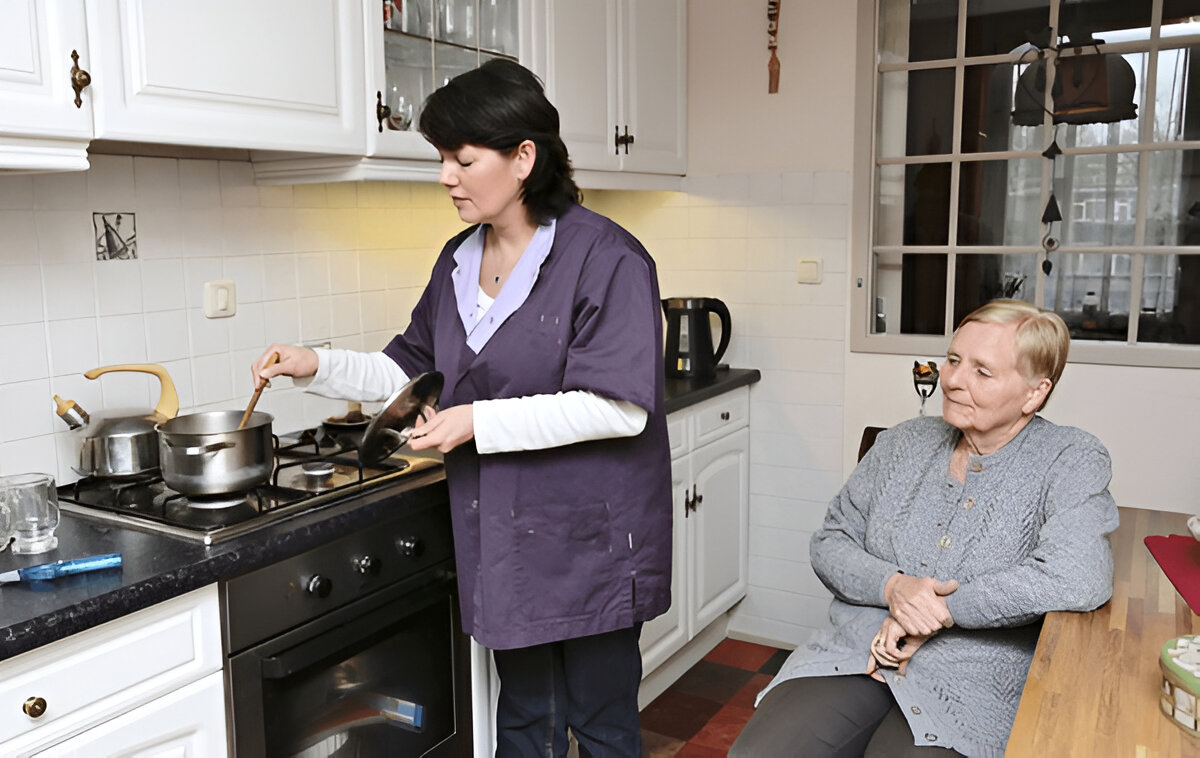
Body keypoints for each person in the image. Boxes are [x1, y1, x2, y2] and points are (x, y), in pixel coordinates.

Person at [251, 60, 671, 757]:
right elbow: (410, 370)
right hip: (506, 542)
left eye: (463, 159)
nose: (446, 175)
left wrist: (477, 421)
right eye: (441, 158)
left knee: (600, 727)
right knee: (525, 722)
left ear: (523, 157)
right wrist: (317, 364)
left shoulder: (608, 258)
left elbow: (620, 410)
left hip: (591, 542)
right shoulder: (457, 261)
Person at [729, 299, 1119, 758]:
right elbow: (830, 543)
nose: (952, 380)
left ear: (1034, 393)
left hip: (972, 674)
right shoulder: (902, 442)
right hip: (858, 650)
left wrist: (943, 609)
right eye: (953, 360)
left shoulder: (1069, 458)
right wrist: (895, 587)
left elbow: (1078, 575)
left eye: (982, 371)